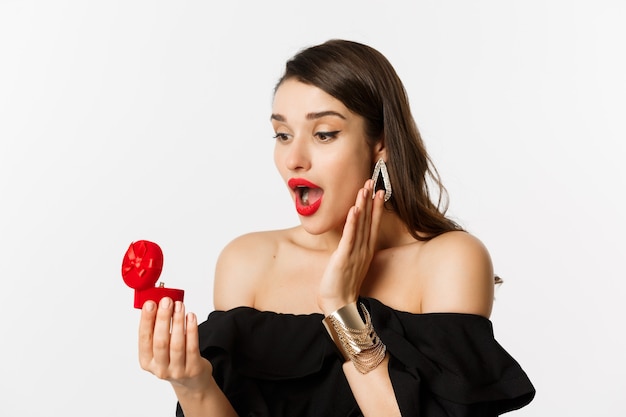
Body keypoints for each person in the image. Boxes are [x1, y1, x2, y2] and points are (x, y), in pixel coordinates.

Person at [137, 39, 535, 416]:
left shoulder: (450, 260)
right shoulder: (247, 261)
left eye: (324, 134)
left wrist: (342, 309)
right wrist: (192, 384)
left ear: (381, 143)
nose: (294, 159)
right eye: (282, 134)